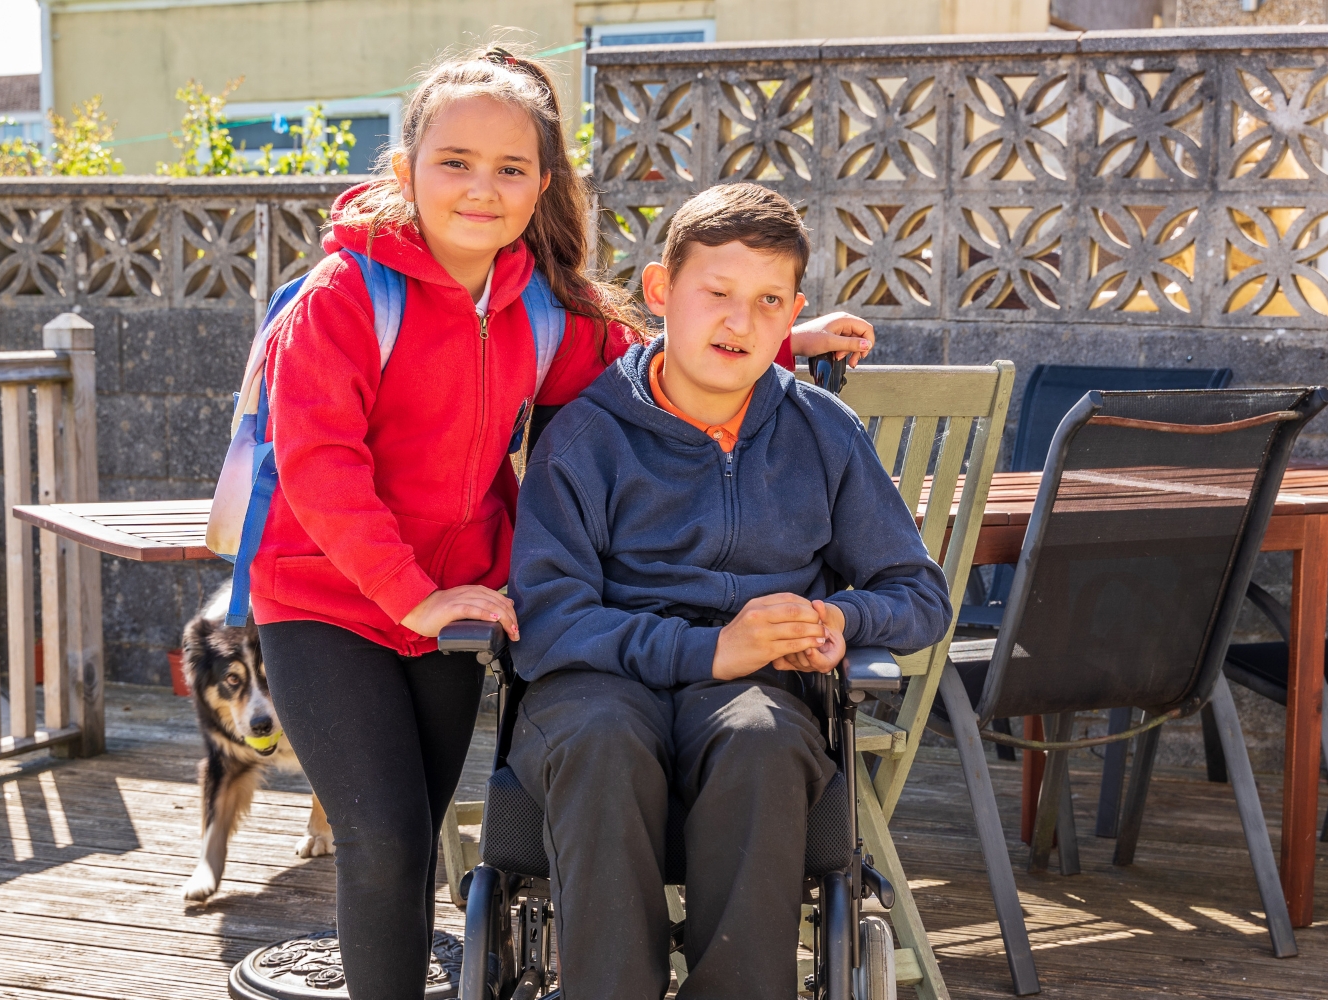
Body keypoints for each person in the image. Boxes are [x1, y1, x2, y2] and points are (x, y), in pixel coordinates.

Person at [247, 45, 882, 1000]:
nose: (480, 188)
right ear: (407, 164)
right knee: (380, 844)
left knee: (420, 844)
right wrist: (414, 599)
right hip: (327, 601)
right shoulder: (344, 300)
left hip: (458, 608)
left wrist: (780, 338)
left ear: (542, 184)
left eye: (510, 169)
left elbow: (674, 354)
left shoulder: (540, 308)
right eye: (454, 161)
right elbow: (319, 467)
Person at [507, 182, 954, 1000]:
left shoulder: (822, 431)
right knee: (602, 740)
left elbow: (918, 592)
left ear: (793, 315)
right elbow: (546, 619)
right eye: (716, 293)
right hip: (598, 688)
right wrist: (709, 648)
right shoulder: (586, 434)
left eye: (768, 301)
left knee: (760, 738)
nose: (739, 322)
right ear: (659, 292)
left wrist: (836, 616)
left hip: (759, 695)